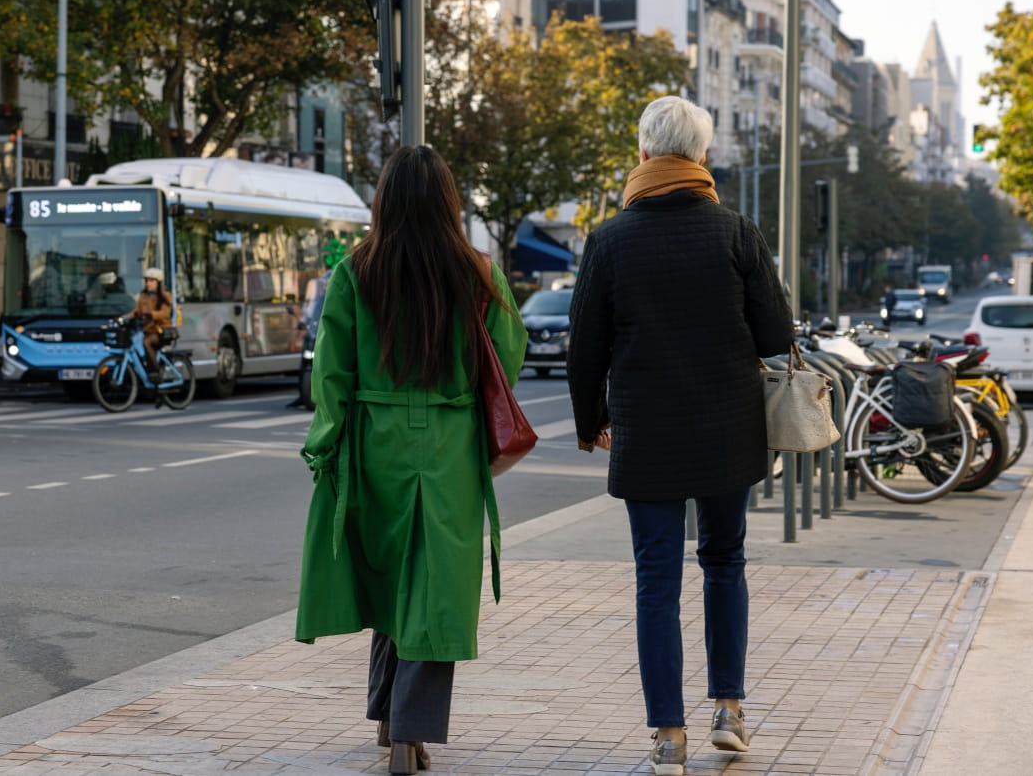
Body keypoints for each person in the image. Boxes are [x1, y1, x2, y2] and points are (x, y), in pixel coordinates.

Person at [566, 96, 791, 776]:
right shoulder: (737, 232)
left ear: (642, 153)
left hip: (648, 434)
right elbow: (775, 334)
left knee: (655, 581)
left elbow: (585, 349)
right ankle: (729, 708)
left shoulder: (609, 241)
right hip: (730, 429)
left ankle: (669, 736)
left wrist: (591, 421)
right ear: (702, 156)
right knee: (725, 562)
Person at [296, 145, 527, 775]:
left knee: (390, 581)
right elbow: (507, 358)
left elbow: (331, 372)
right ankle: (407, 733)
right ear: (448, 202)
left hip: (377, 443)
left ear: (385, 201)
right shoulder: (478, 272)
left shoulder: (356, 270)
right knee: (434, 592)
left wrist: (326, 444)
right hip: (450, 447)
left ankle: (388, 718)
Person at [121, 268, 173, 363]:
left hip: (161, 330)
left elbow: (165, 313)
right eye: (147, 281)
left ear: (158, 283)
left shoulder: (164, 296)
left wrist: (151, 315)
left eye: (151, 281)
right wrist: (124, 317)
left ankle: (155, 371)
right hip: (147, 330)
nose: (148, 283)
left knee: (147, 342)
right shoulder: (143, 295)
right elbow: (136, 311)